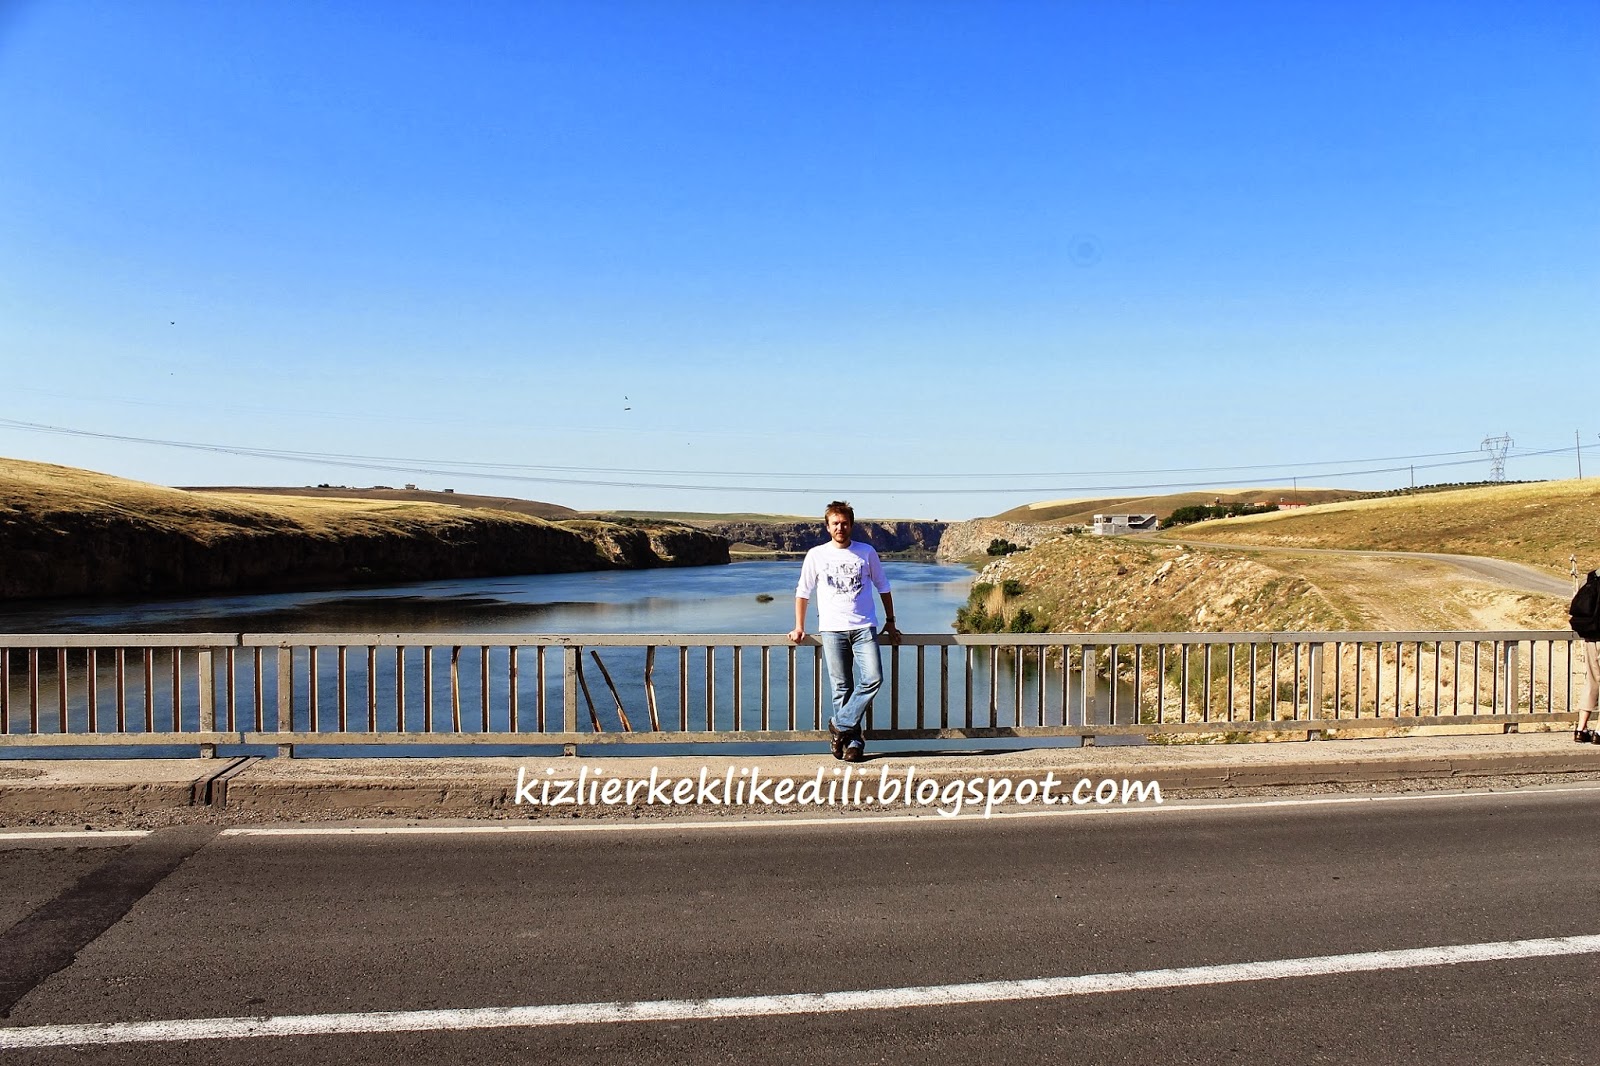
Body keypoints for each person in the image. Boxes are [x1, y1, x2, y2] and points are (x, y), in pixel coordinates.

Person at [788, 501, 900, 762]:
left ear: (851, 525)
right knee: (842, 687)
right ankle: (853, 743)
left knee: (873, 677)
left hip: (863, 627)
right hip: (832, 630)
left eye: (845, 523)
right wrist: (799, 626)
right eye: (835, 523)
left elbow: (883, 586)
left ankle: (839, 724)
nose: (840, 527)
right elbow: (802, 592)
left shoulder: (866, 552)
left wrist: (891, 621)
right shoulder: (816, 555)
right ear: (828, 527)